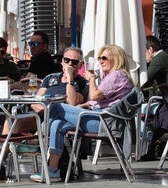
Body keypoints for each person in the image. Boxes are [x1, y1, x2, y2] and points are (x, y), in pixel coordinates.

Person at [30, 44, 134, 182]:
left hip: (104, 122)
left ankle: (34, 139)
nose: (100, 61)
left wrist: (91, 78)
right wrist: (83, 105)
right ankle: (53, 170)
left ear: (116, 59)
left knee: (57, 108)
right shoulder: (116, 76)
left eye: (104, 58)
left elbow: (95, 95)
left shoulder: (116, 75)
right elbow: (97, 102)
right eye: (99, 58)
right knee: (57, 124)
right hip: (102, 118)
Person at [0, 46, 89, 180]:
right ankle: (0, 163)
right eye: (67, 60)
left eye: (74, 62)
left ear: (80, 65)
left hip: (61, 119)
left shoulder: (80, 83)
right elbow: (35, 101)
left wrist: (70, 79)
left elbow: (72, 103)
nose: (70, 64)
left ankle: (24, 147)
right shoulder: (51, 78)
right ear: (62, 61)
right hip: (41, 114)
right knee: (10, 122)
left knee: (52, 118)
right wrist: (45, 111)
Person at [140, 35, 168, 161]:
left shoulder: (160, 58)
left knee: (161, 114)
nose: (142, 56)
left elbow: (145, 80)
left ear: (150, 49)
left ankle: (156, 148)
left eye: (142, 52)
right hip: (164, 99)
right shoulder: (163, 57)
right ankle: (156, 148)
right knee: (160, 113)